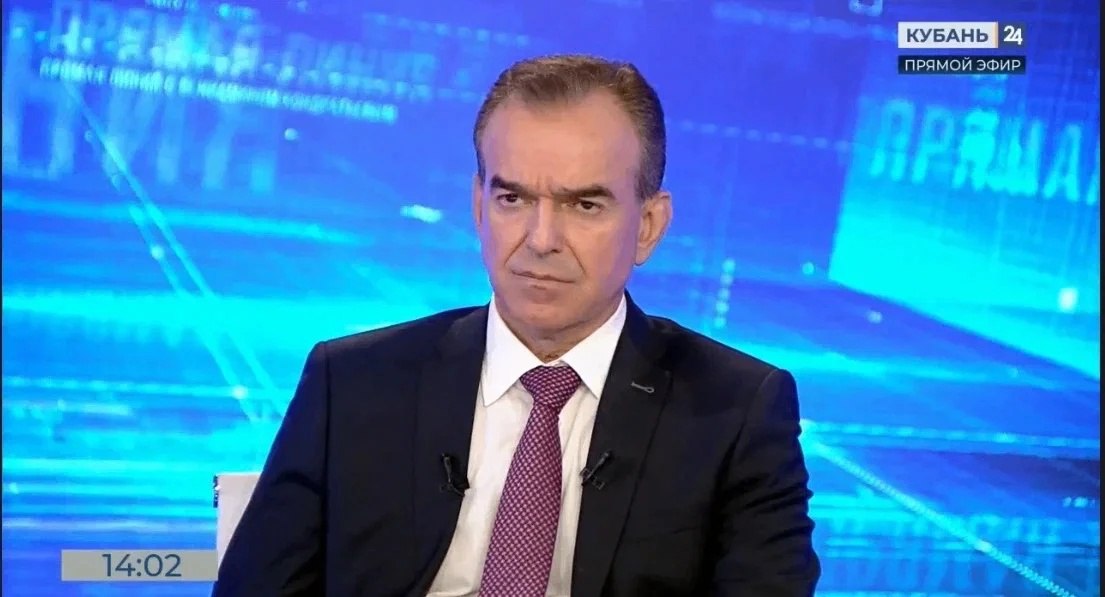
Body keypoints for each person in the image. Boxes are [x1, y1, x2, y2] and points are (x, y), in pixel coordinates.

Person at [214, 54, 820, 597]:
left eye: (585, 205)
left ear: (649, 226)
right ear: (479, 206)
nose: (541, 239)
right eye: (513, 199)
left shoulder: (738, 411)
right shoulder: (351, 382)